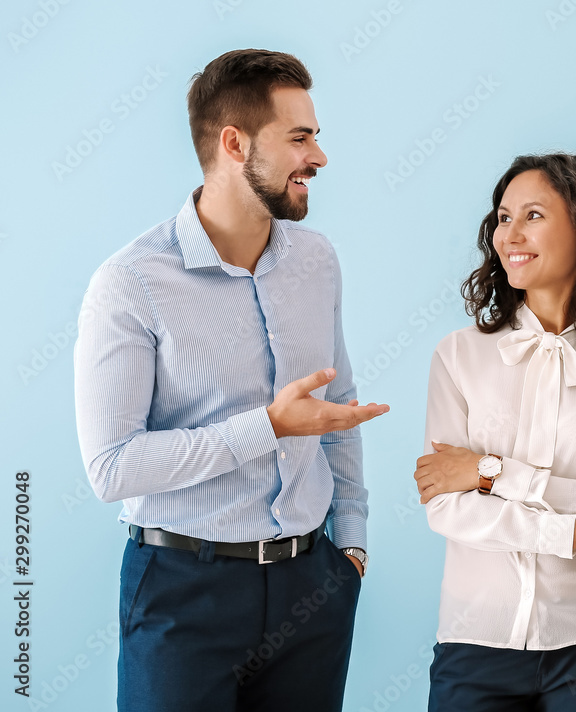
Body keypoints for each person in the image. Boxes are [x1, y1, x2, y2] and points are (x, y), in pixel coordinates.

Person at [73, 49, 388, 711]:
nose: (319, 157)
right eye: (299, 137)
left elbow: (339, 409)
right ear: (234, 143)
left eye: (317, 137)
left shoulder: (317, 260)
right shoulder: (132, 283)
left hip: (312, 585)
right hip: (183, 592)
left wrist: (350, 547)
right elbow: (111, 467)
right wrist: (266, 428)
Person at [413, 153, 576, 711]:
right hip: (475, 638)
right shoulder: (458, 356)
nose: (511, 234)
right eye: (504, 218)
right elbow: (446, 507)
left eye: (532, 215)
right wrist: (571, 534)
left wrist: (489, 472)